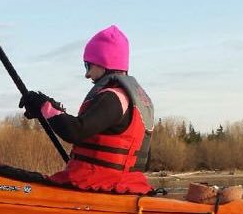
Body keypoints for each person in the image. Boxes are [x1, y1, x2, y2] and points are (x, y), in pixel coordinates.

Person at [20, 25, 155, 194]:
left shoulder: (112, 98)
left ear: (104, 63)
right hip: (126, 186)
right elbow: (145, 161)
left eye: (88, 65)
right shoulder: (132, 100)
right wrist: (49, 108)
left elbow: (75, 131)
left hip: (101, 184)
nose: (87, 74)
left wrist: (44, 105)